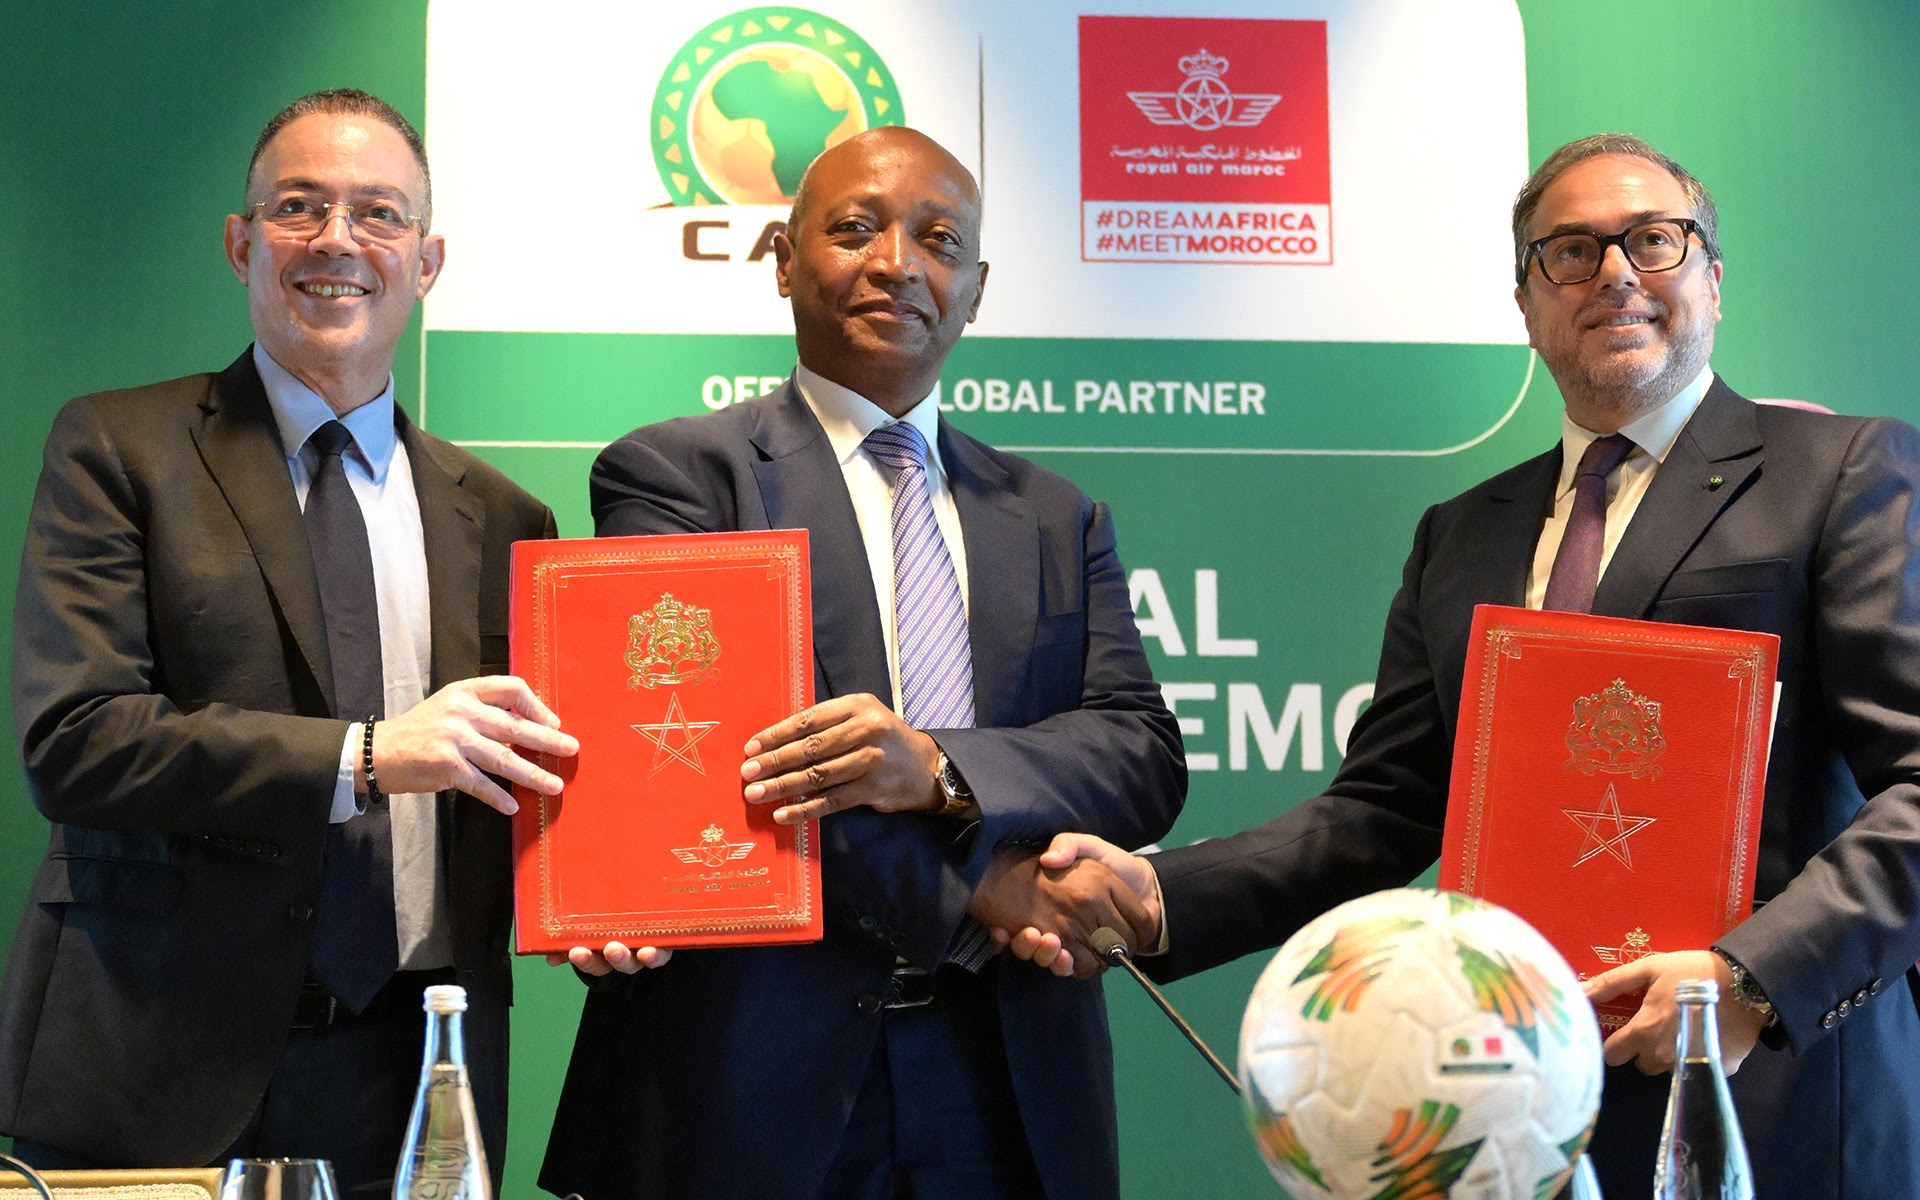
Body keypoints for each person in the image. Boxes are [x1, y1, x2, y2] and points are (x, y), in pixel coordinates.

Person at [1001, 134, 1920, 1200]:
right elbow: (1381, 812)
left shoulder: (1838, 472)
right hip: (1501, 1113)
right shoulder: (1464, 532)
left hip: (1770, 1109)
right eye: (1571, 251)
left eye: (1654, 241)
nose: (1615, 273)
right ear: (1527, 304)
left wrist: (1747, 982)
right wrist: (1155, 893)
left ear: (1713, 278)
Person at [538, 126, 1185, 1200]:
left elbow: (1138, 751)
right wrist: (978, 887)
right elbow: (705, 763)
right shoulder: (679, 478)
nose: (897, 263)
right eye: (854, 230)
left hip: (1010, 1081)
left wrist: (937, 770)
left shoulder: (1055, 515)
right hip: (744, 1081)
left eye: (938, 240)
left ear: (976, 290)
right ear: (783, 260)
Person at [0, 89, 581, 1195]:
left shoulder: (507, 518)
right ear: (241, 243)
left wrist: (613, 904)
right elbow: (76, 740)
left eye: (379, 213)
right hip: (156, 1056)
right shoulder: (118, 447)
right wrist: (367, 756)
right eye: (298, 207)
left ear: (427, 260)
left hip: (417, 1071)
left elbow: (529, 778)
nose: (336, 241)